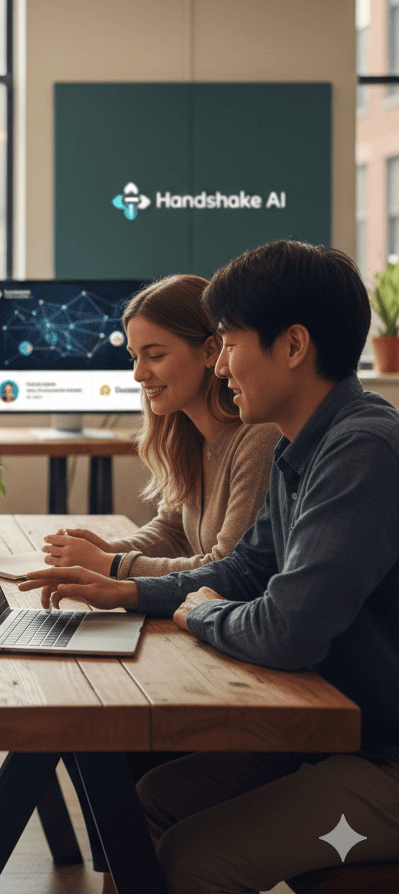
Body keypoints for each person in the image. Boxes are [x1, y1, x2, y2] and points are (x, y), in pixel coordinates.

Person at [20, 241, 399, 894]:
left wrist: (201, 613)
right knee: (141, 804)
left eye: (228, 342)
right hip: (333, 734)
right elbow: (249, 570)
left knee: (194, 860)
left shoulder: (361, 449)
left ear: (293, 345)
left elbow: (287, 629)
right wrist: (127, 590)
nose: (221, 365)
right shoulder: (299, 447)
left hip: (383, 760)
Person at [42, 274, 280, 580]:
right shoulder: (188, 435)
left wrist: (111, 565)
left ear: (211, 352)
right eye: (134, 357)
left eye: (155, 355)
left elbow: (229, 568)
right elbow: (173, 531)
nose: (139, 374)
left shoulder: (259, 438)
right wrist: (107, 551)